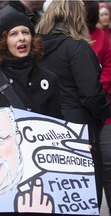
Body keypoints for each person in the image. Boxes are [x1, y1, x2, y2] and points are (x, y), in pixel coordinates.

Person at [35, 0, 110, 208]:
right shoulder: (77, 48)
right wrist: (103, 113)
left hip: (44, 131)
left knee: (54, 199)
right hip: (79, 133)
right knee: (83, 198)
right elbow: (91, 95)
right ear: (77, 16)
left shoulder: (36, 48)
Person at [0, 11, 62, 120]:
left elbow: (57, 124)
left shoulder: (49, 78)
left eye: (25, 32)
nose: (21, 38)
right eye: (13, 34)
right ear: (4, 42)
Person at [84, 1, 111, 214]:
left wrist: (94, 88)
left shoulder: (103, 37)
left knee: (108, 163)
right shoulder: (69, 38)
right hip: (78, 112)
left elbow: (109, 67)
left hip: (103, 108)